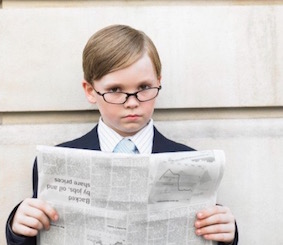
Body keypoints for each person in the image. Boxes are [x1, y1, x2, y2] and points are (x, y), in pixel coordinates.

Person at [6, 24, 238, 245]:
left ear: (158, 83)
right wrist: (19, 227)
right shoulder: (57, 162)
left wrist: (226, 235)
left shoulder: (190, 162)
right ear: (90, 91)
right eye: (115, 90)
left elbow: (206, 231)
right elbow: (39, 235)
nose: (132, 102)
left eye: (144, 88)